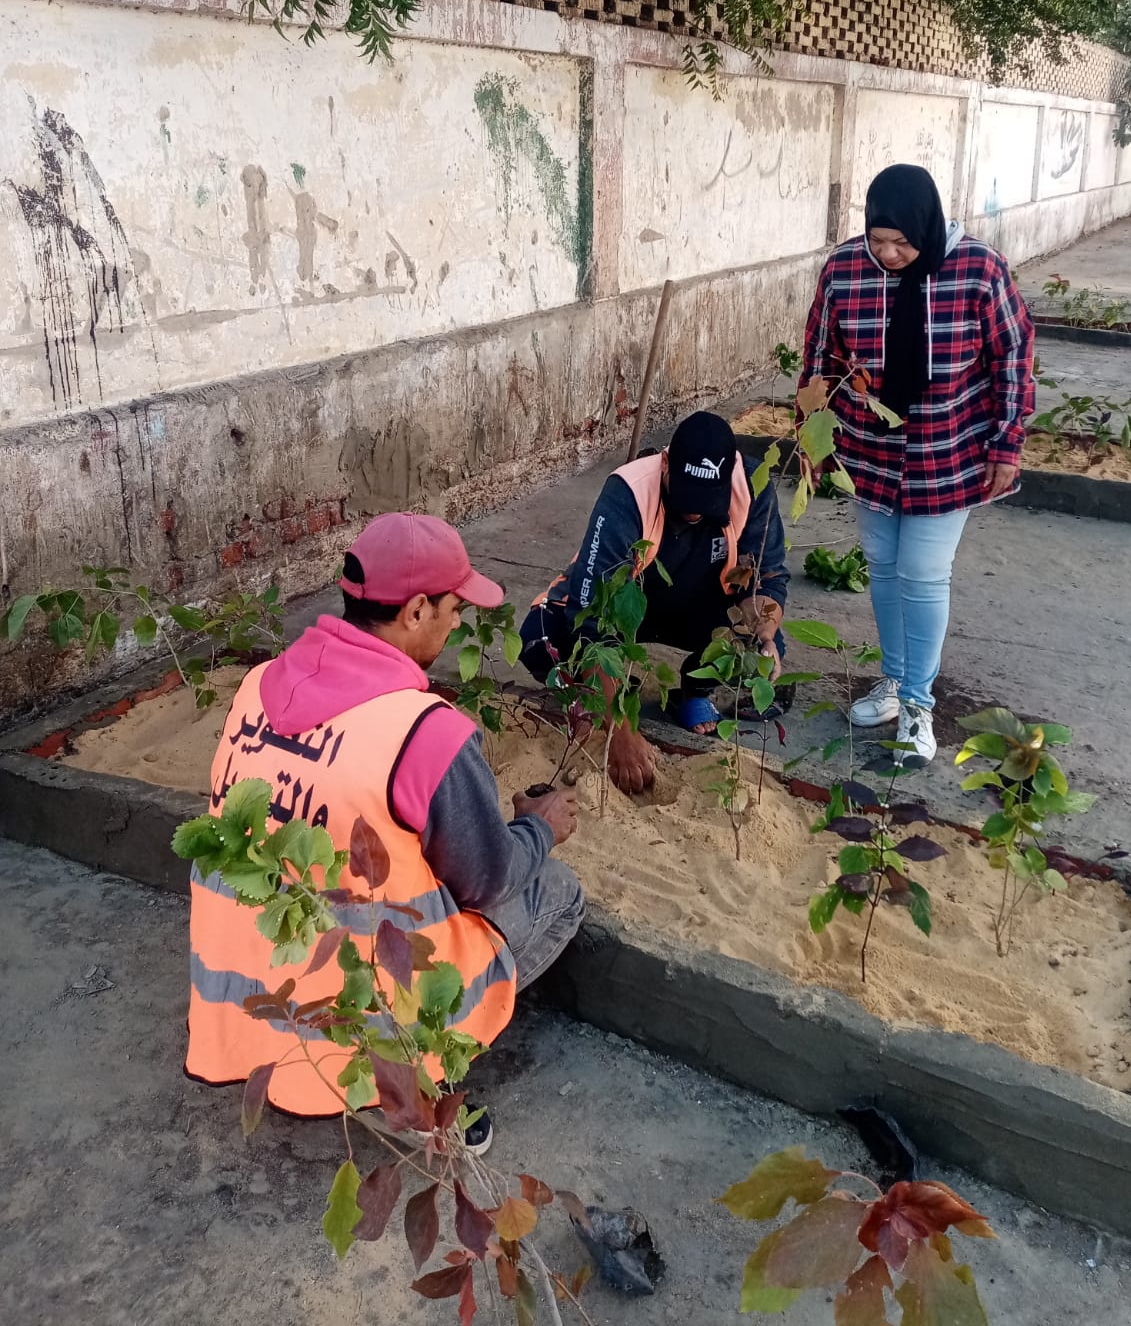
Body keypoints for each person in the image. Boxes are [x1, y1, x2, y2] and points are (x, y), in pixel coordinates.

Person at [185, 512, 583, 1145]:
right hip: (363, 1007)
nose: (458, 622)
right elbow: (488, 879)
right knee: (555, 888)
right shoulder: (424, 732)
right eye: (454, 606)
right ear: (417, 609)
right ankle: (421, 1081)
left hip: (252, 989)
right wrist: (537, 829)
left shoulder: (256, 687)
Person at [800, 163, 1034, 766]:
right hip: (869, 448)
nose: (890, 253)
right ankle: (895, 682)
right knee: (882, 565)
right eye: (879, 239)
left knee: (924, 572)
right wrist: (812, 435)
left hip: (947, 449)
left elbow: (1014, 355)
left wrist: (1007, 443)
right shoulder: (845, 269)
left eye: (903, 242)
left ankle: (919, 704)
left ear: (928, 227)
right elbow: (820, 355)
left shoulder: (978, 269)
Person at [519, 410, 790, 795]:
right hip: (633, 607)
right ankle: (608, 689)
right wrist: (622, 734)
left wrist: (763, 632)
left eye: (705, 503)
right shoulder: (628, 491)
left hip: (704, 607)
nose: (694, 512)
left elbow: (769, 578)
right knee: (538, 640)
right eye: (685, 499)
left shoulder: (751, 486)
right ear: (665, 464)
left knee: (759, 655)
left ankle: (694, 690)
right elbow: (591, 619)